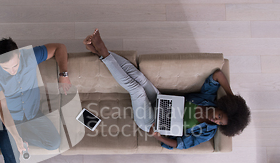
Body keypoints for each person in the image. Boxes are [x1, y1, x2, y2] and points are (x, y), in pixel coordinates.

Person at [83, 29, 250, 150]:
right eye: (219, 116)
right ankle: (99, 52)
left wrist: (158, 136)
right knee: (139, 77)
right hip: (161, 101)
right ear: (223, 107)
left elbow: (181, 144)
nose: (216, 120)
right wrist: (231, 96)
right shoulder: (208, 98)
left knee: (137, 90)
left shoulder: (207, 132)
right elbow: (218, 74)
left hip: (150, 122)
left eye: (220, 123)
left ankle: (103, 51)